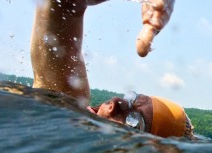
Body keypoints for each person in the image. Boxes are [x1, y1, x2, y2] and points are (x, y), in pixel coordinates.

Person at [30, 0, 194, 139]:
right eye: (132, 100)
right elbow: (64, 4)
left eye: (133, 120)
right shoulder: (69, 106)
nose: (116, 102)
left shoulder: (70, 135)